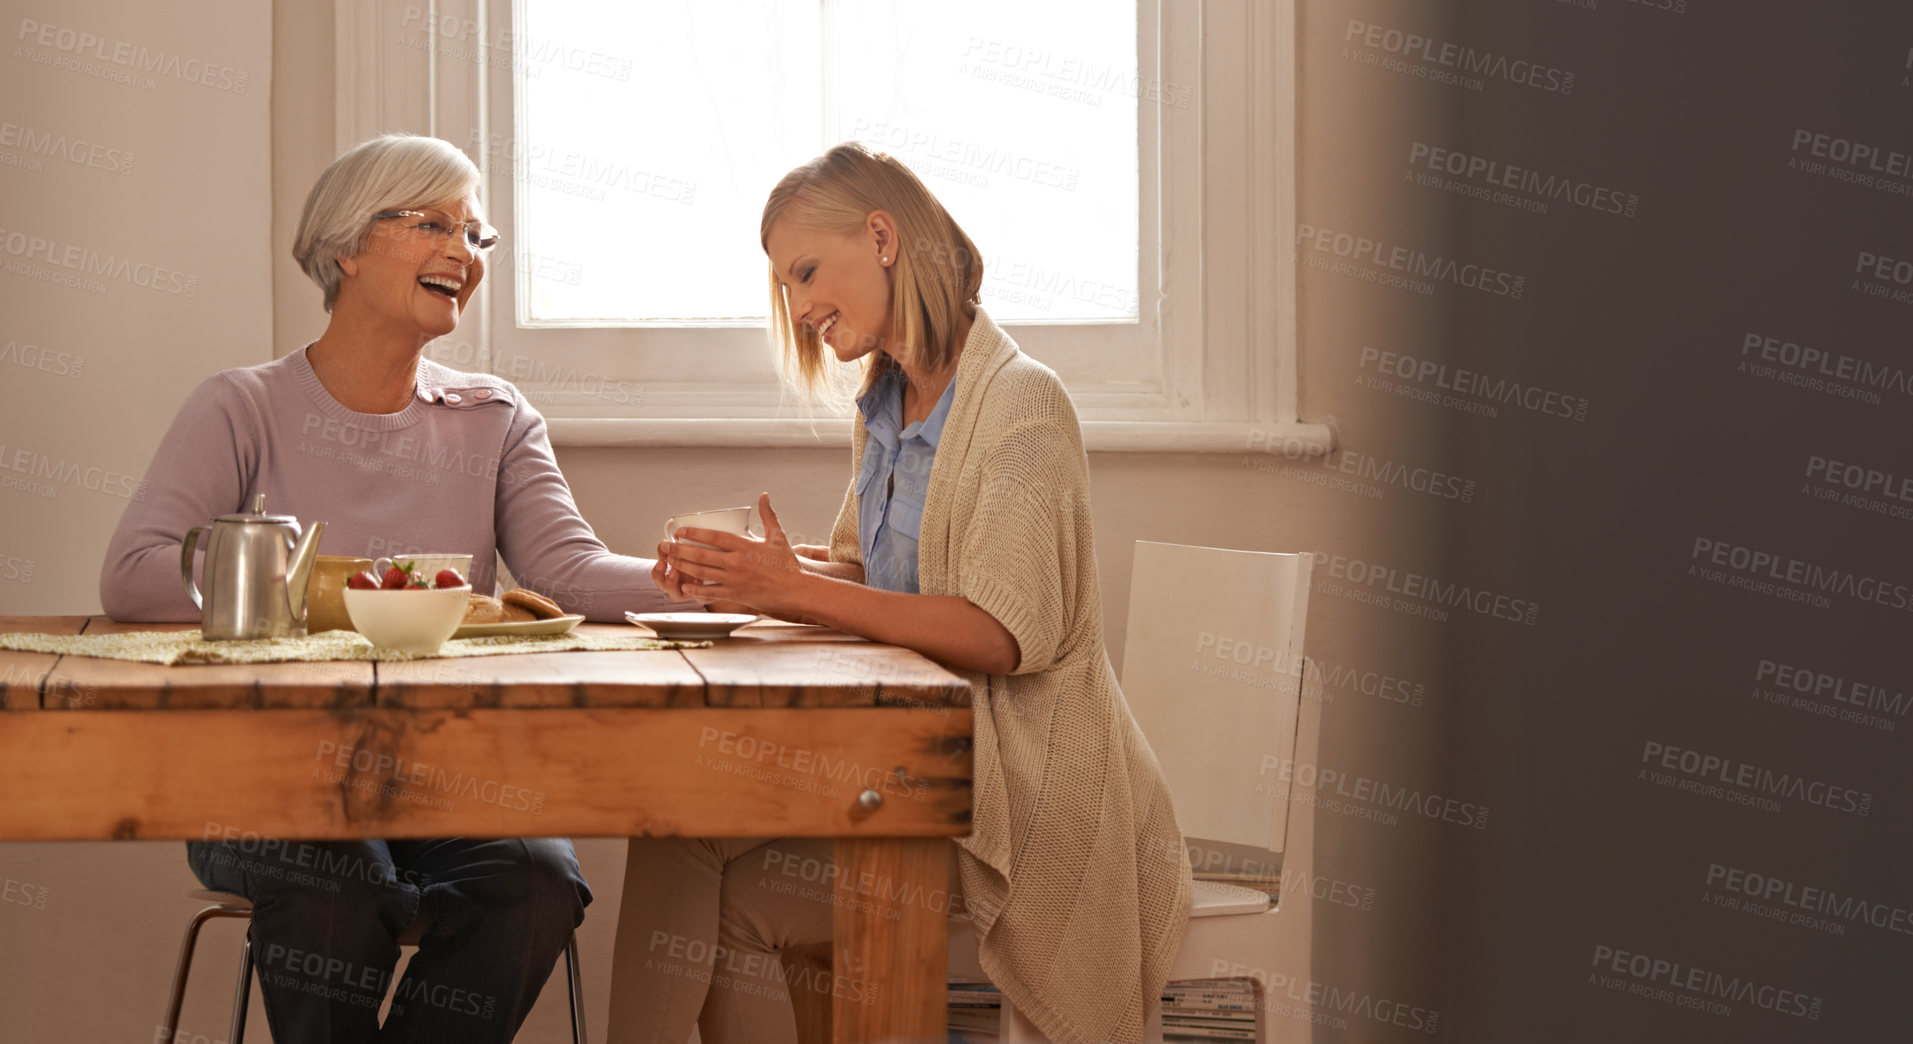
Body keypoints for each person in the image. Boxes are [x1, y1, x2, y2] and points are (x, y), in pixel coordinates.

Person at [100, 133, 693, 1043]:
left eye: (475, 234)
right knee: (336, 883)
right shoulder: (240, 406)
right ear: (345, 246)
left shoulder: (494, 418)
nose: (463, 251)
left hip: (446, 778)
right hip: (258, 779)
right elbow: (134, 577)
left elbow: (570, 573)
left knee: (534, 881)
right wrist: (335, 596)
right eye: (432, 224)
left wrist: (726, 583)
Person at [608, 142, 1192, 1044]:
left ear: (881, 235)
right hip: (912, 766)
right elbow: (873, 581)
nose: (799, 309)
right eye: (786, 285)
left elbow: (1000, 633)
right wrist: (756, 579)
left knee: (726, 900)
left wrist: (794, 591)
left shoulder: (1021, 405)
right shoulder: (890, 403)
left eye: (806, 271)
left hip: (1013, 799)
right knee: (676, 829)